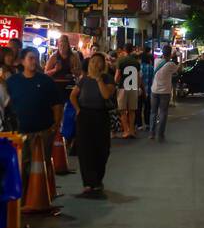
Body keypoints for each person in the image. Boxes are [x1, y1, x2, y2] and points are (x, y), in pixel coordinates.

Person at [6, 48, 64, 188]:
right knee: (22, 166)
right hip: (20, 132)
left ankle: (43, 196)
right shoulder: (13, 81)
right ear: (22, 61)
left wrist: (55, 126)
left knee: (41, 165)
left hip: (42, 131)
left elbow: (57, 105)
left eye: (36, 58)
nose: (34, 61)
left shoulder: (46, 81)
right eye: (31, 58)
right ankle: (24, 198)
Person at [69, 53, 116, 197]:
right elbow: (73, 95)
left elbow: (106, 95)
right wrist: (78, 110)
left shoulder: (107, 78)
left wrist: (98, 79)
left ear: (103, 65)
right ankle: (88, 183)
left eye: (98, 62)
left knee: (102, 149)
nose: (95, 64)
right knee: (85, 150)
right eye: (93, 61)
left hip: (100, 116)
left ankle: (98, 179)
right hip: (85, 117)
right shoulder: (83, 80)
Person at [149, 44, 179, 142]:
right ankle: (160, 134)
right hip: (165, 92)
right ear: (170, 54)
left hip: (154, 90)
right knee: (163, 112)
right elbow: (178, 70)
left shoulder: (156, 61)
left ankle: (151, 133)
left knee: (153, 112)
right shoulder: (171, 64)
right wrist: (178, 57)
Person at [114, 44, 141, 139]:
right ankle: (132, 130)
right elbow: (138, 77)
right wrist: (138, 88)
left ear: (124, 50)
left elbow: (117, 76)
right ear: (132, 50)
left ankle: (126, 131)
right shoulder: (136, 62)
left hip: (123, 87)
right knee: (132, 110)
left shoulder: (120, 61)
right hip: (133, 88)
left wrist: (114, 84)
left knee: (122, 111)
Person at [139, 47, 154, 130]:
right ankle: (147, 123)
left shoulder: (139, 67)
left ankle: (139, 125)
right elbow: (153, 79)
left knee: (139, 107)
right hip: (149, 90)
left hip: (140, 90)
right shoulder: (151, 68)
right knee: (148, 108)